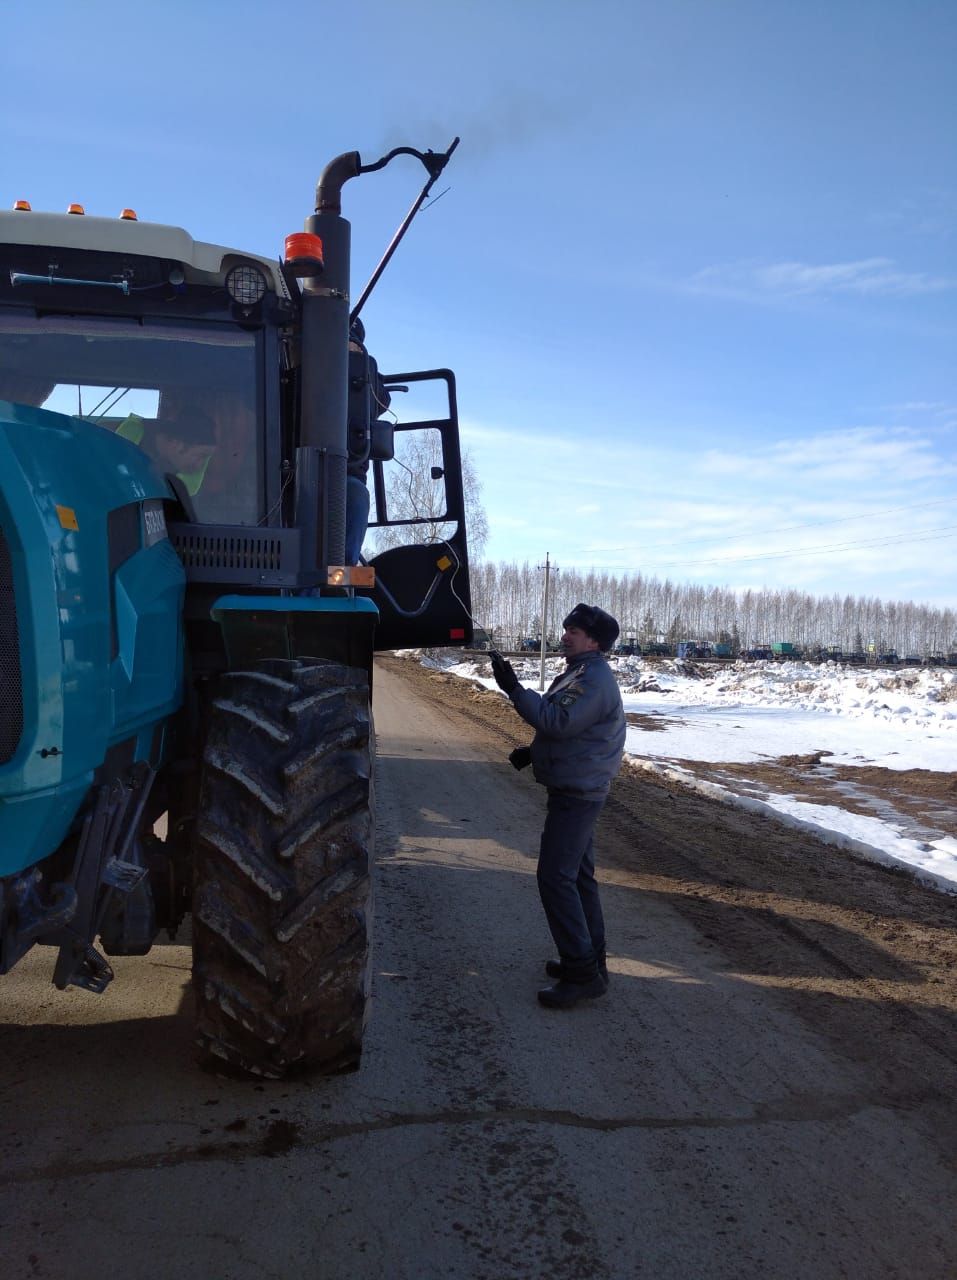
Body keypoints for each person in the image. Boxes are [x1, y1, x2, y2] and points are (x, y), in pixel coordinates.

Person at [491, 603, 626, 1009]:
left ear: (595, 641)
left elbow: (558, 722)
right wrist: (533, 753)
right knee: (579, 878)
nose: (565, 635)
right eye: (566, 628)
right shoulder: (579, 672)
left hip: (578, 795)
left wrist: (514, 689)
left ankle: (581, 972)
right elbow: (569, 729)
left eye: (575, 631)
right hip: (574, 786)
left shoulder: (595, 679)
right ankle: (591, 960)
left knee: (555, 878)